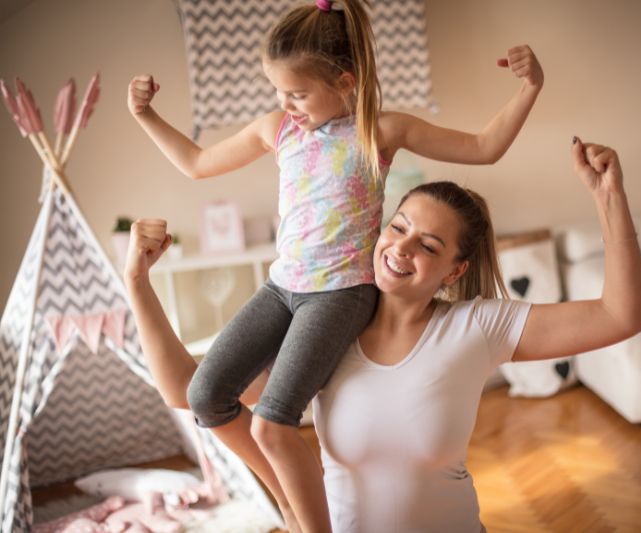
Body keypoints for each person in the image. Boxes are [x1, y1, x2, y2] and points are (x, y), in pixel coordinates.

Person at [127, 0, 543, 530]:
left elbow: (485, 148)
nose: (286, 103)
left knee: (273, 426)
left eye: (298, 93)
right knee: (206, 394)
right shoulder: (276, 129)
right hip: (282, 288)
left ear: (345, 81)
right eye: (279, 91)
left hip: (341, 293)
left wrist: (528, 88)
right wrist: (145, 116)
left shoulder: (379, 130)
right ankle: (290, 499)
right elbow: (196, 163)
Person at [123, 137, 641, 532]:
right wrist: (138, 282)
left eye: (429, 245)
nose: (401, 248)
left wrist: (610, 198)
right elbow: (190, 392)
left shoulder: (477, 326)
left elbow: (620, 316)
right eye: (398, 228)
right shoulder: (325, 331)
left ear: (454, 270)